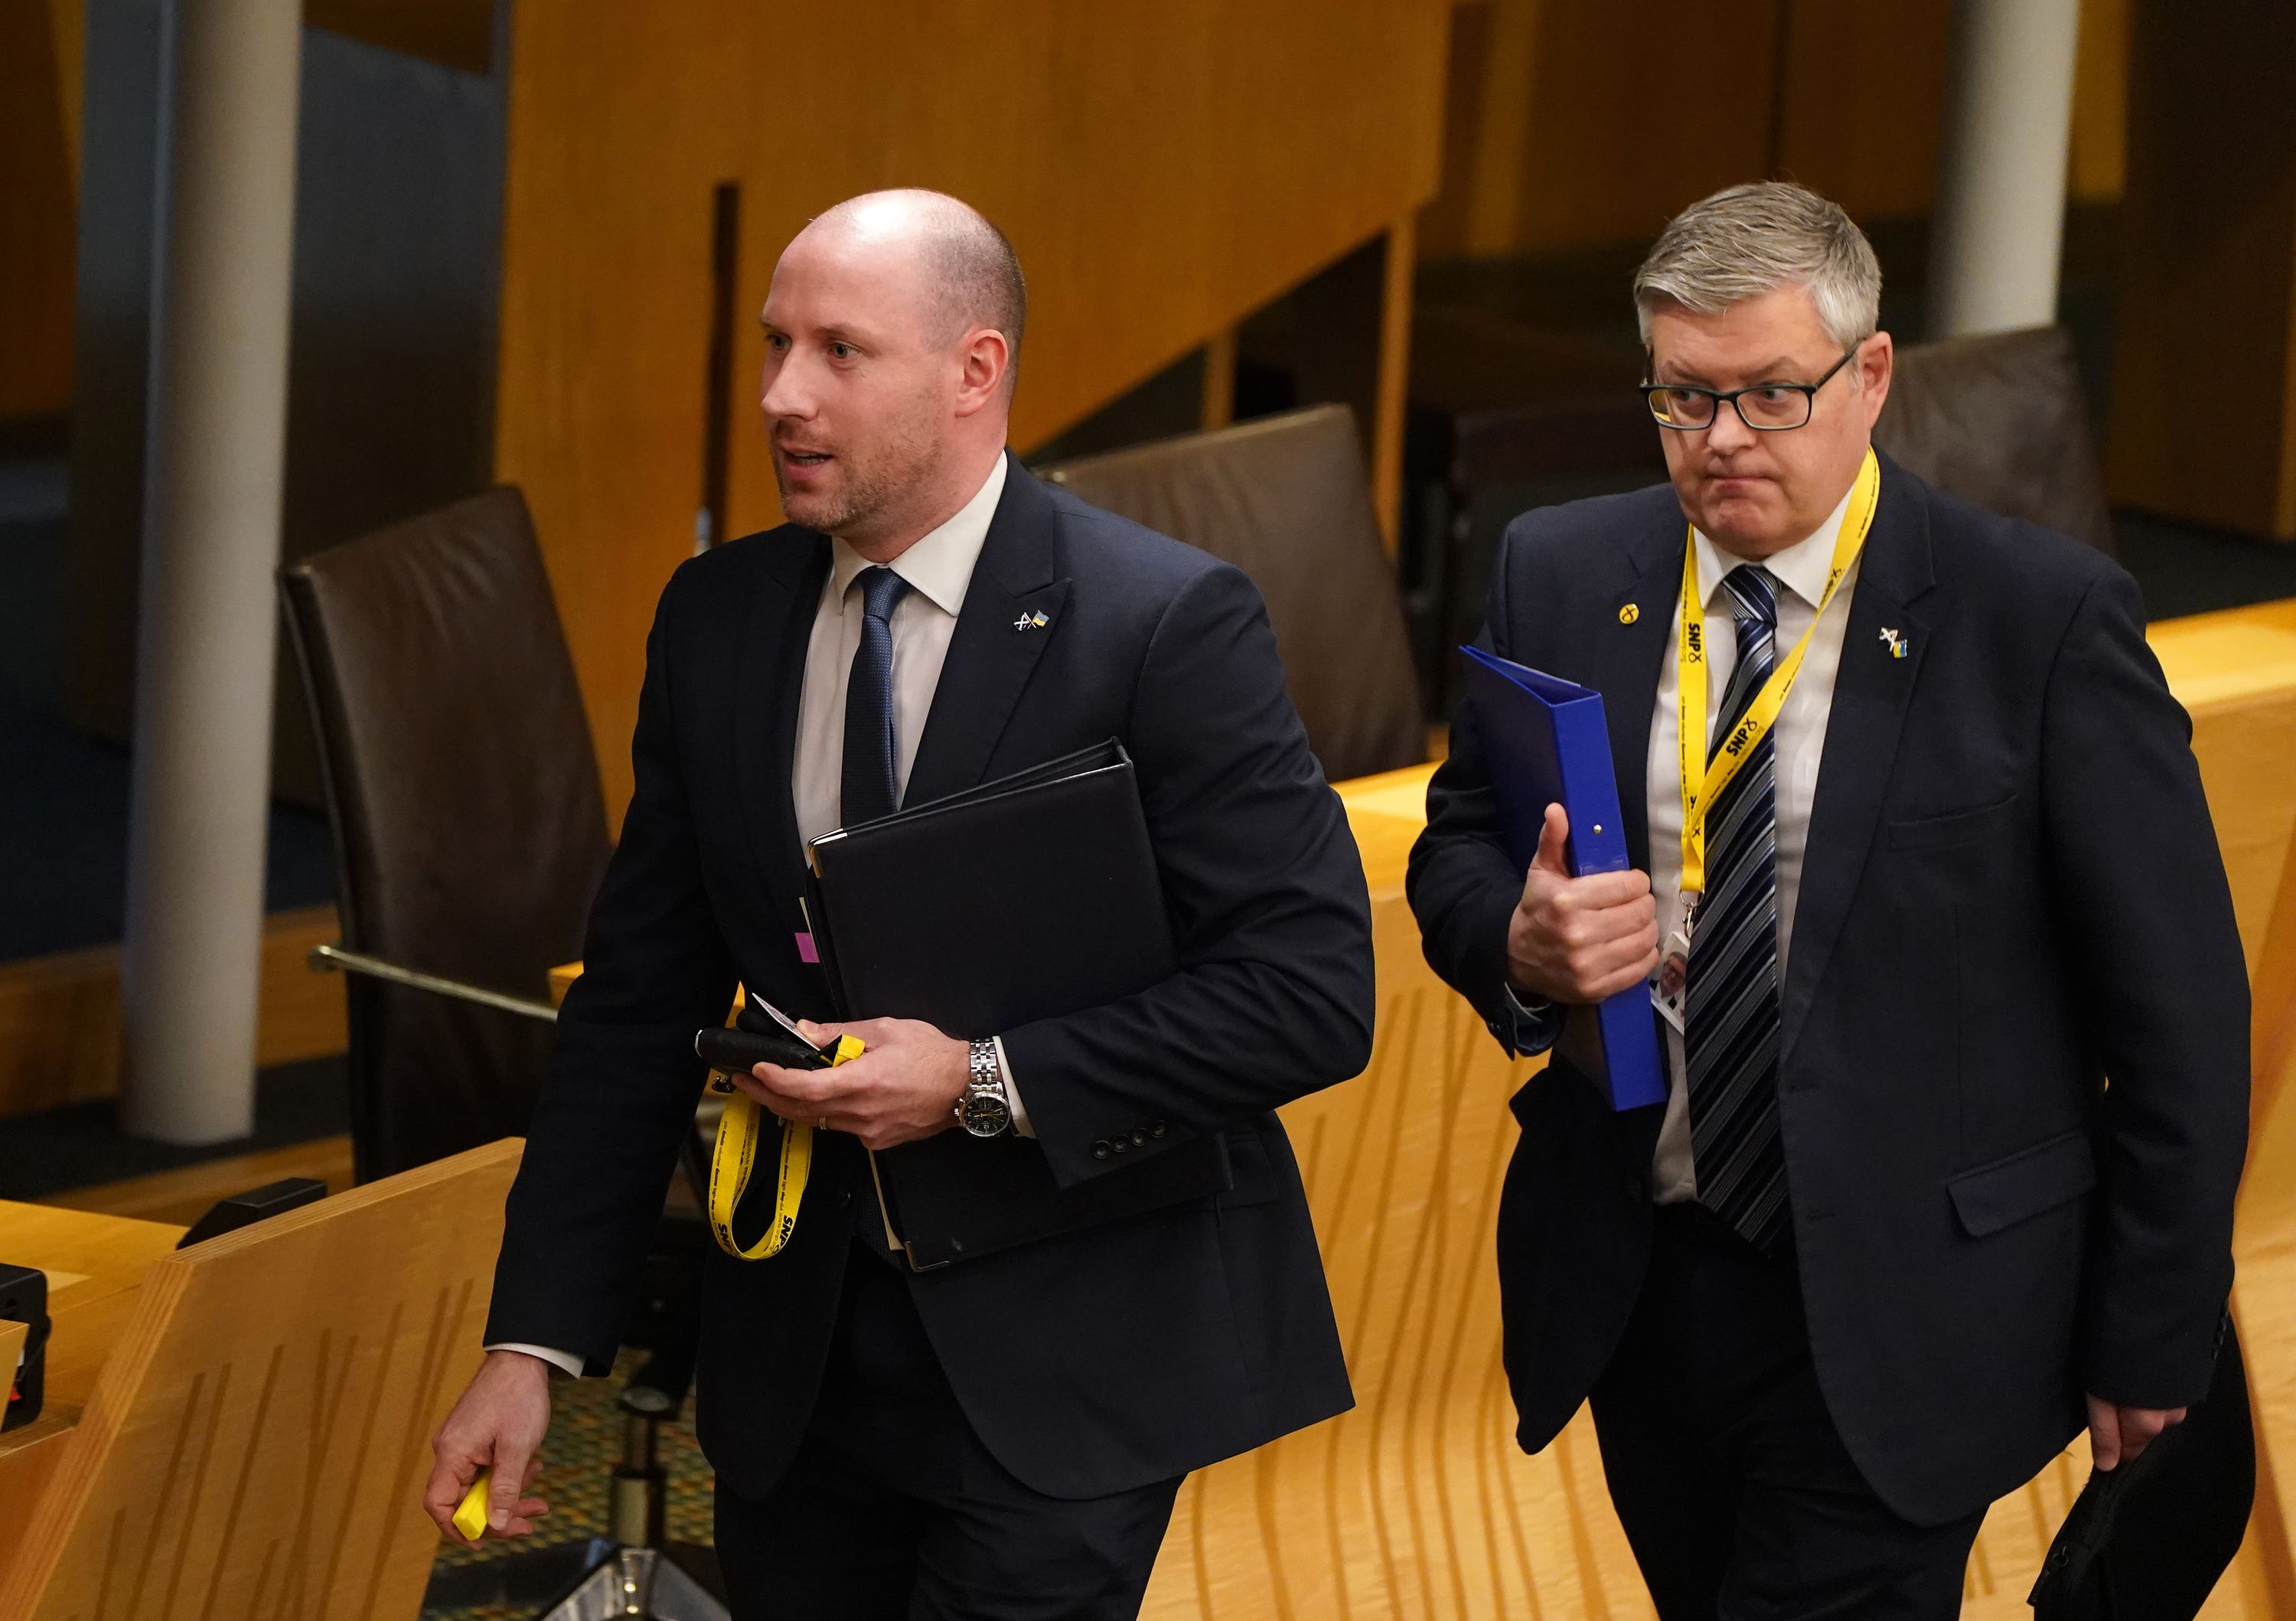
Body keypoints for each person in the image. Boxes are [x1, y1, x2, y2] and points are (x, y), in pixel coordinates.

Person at [423, 189, 1373, 1619]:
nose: (780, 396)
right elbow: (635, 1003)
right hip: (797, 1372)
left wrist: (980, 1082)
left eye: (838, 353)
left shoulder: (1162, 622)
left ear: (974, 372)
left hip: (1070, 1358)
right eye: (775, 346)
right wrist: (534, 1342)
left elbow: (1308, 994)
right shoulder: (718, 619)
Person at [1407, 181, 2249, 1618]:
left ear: (1868, 378)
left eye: (1770, 395)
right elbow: (1459, 841)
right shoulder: (1559, 569)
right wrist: (1518, 939)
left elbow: (2180, 1015)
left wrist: (2155, 1332)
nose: (1722, 440)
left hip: (1913, 1301)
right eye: (1684, 399)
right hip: (1645, 1279)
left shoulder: (2038, 620)